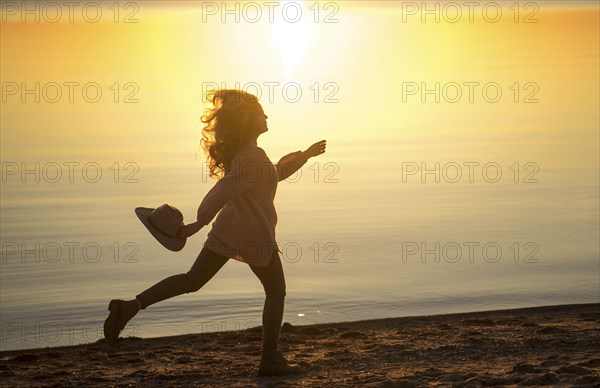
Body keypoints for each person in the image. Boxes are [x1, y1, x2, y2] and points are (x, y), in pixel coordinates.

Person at [103, 89, 327, 377]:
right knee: (276, 292)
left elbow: (274, 173)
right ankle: (270, 359)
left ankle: (130, 307)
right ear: (248, 119)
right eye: (261, 112)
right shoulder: (252, 159)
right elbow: (222, 191)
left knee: (192, 280)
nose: (266, 115)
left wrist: (304, 155)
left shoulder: (250, 156)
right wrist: (199, 221)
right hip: (254, 237)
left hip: (228, 230)